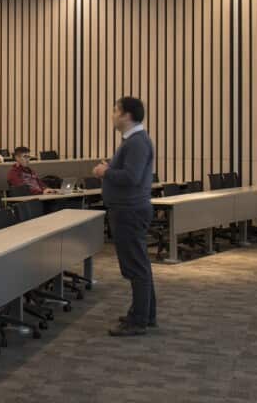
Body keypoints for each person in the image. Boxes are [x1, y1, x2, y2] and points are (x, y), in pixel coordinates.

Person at [95, 96, 157, 336]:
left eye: (115, 110)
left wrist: (106, 171)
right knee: (140, 265)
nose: (112, 114)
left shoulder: (137, 143)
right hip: (129, 209)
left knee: (136, 267)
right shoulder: (133, 141)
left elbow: (132, 178)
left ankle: (139, 320)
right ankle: (145, 314)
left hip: (129, 210)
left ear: (126, 115)